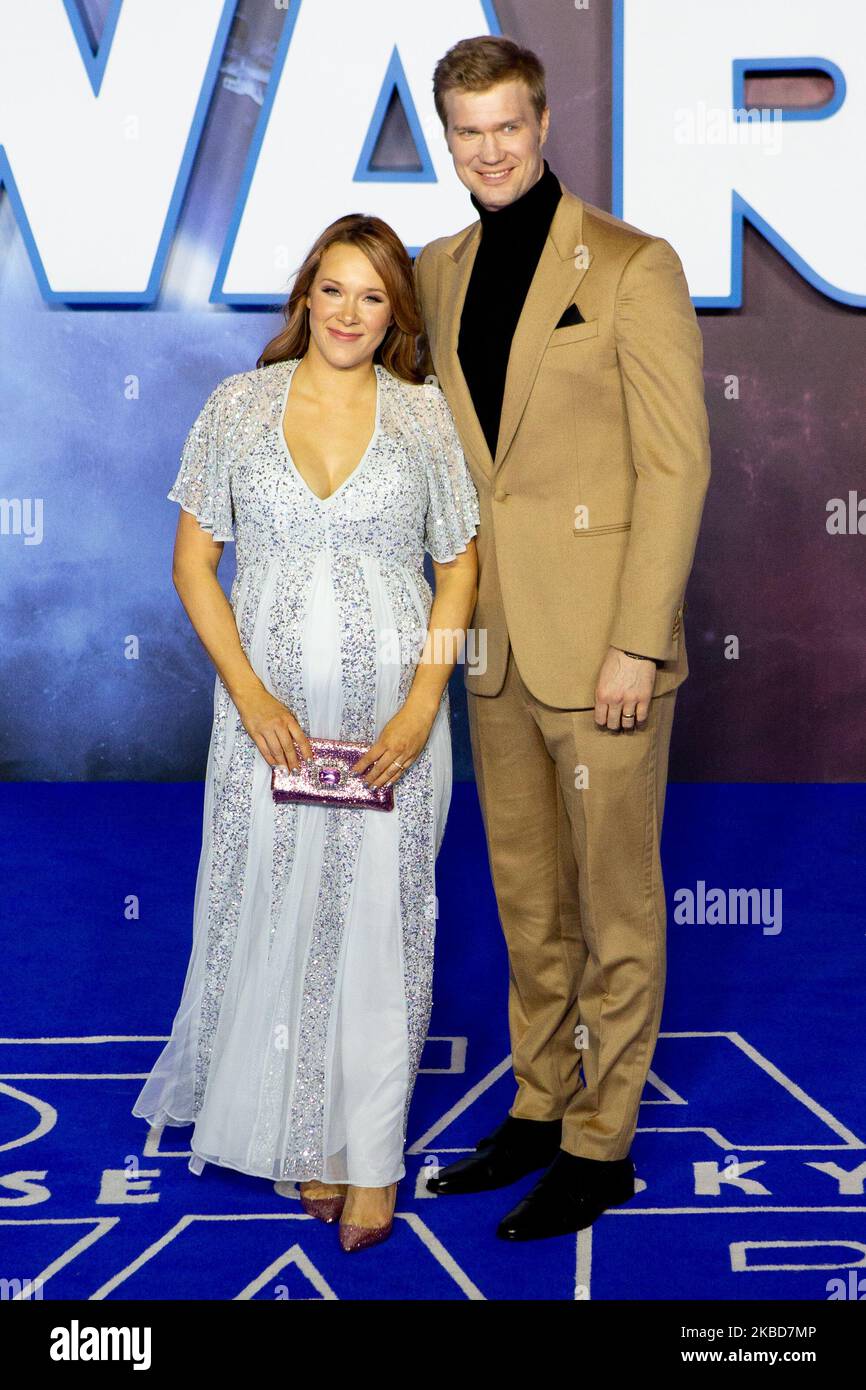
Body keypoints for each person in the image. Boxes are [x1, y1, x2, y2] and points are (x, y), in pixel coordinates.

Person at [132, 214, 479, 1253]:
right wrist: (252, 696)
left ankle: (364, 1156)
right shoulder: (237, 407)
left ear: (393, 316)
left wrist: (423, 702)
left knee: (379, 923)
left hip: (391, 728)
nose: (348, 313)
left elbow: (457, 564)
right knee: (274, 910)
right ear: (304, 296)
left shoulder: (422, 417)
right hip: (266, 726)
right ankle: (296, 1133)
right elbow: (194, 565)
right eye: (333, 289)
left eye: (372, 297)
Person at [414, 36, 711, 1240]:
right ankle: (539, 1107)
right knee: (526, 899)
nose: (489, 150)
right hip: (491, 643)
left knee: (613, 903)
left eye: (506, 126)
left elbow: (676, 465)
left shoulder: (633, 264)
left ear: (542, 126)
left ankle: (601, 1142)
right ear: (448, 139)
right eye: (465, 131)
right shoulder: (436, 268)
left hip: (602, 653)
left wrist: (637, 642)